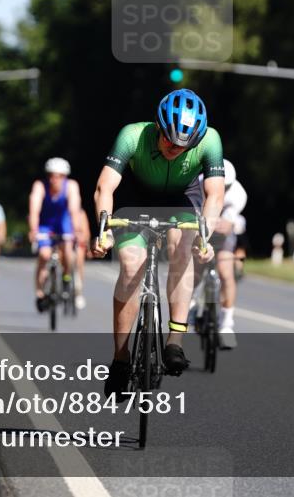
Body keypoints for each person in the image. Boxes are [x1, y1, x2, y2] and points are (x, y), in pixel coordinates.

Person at [91, 88, 224, 398]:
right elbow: (104, 186)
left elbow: (215, 195)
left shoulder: (211, 140)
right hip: (136, 198)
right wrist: (103, 229)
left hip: (180, 200)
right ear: (158, 126)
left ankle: (175, 341)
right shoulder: (132, 136)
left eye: (182, 146)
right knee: (131, 265)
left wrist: (206, 235)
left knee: (182, 249)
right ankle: (121, 360)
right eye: (168, 140)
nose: (173, 148)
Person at [191, 159, 245, 348]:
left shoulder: (238, 195)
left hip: (223, 235)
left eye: (226, 187)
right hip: (201, 229)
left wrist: (221, 225)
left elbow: (228, 225)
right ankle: (191, 303)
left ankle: (227, 324)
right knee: (195, 271)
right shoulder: (197, 184)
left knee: (226, 272)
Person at [29, 157, 85, 311]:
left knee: (67, 249)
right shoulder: (40, 186)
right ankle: (40, 293)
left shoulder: (71, 186)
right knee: (44, 255)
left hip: (64, 223)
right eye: (52, 175)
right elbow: (34, 210)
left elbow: (74, 210)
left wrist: (78, 231)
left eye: (60, 176)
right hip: (45, 225)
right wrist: (33, 230)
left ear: (65, 177)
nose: (55, 179)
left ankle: (67, 277)